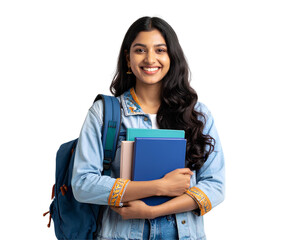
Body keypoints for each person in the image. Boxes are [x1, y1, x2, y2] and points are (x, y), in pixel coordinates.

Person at [72, 16, 225, 240]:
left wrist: (153, 211)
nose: (150, 59)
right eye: (140, 50)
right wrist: (159, 186)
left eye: (160, 50)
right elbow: (83, 184)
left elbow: (215, 186)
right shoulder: (104, 113)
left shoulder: (197, 114)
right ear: (128, 58)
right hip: (122, 234)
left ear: (172, 56)